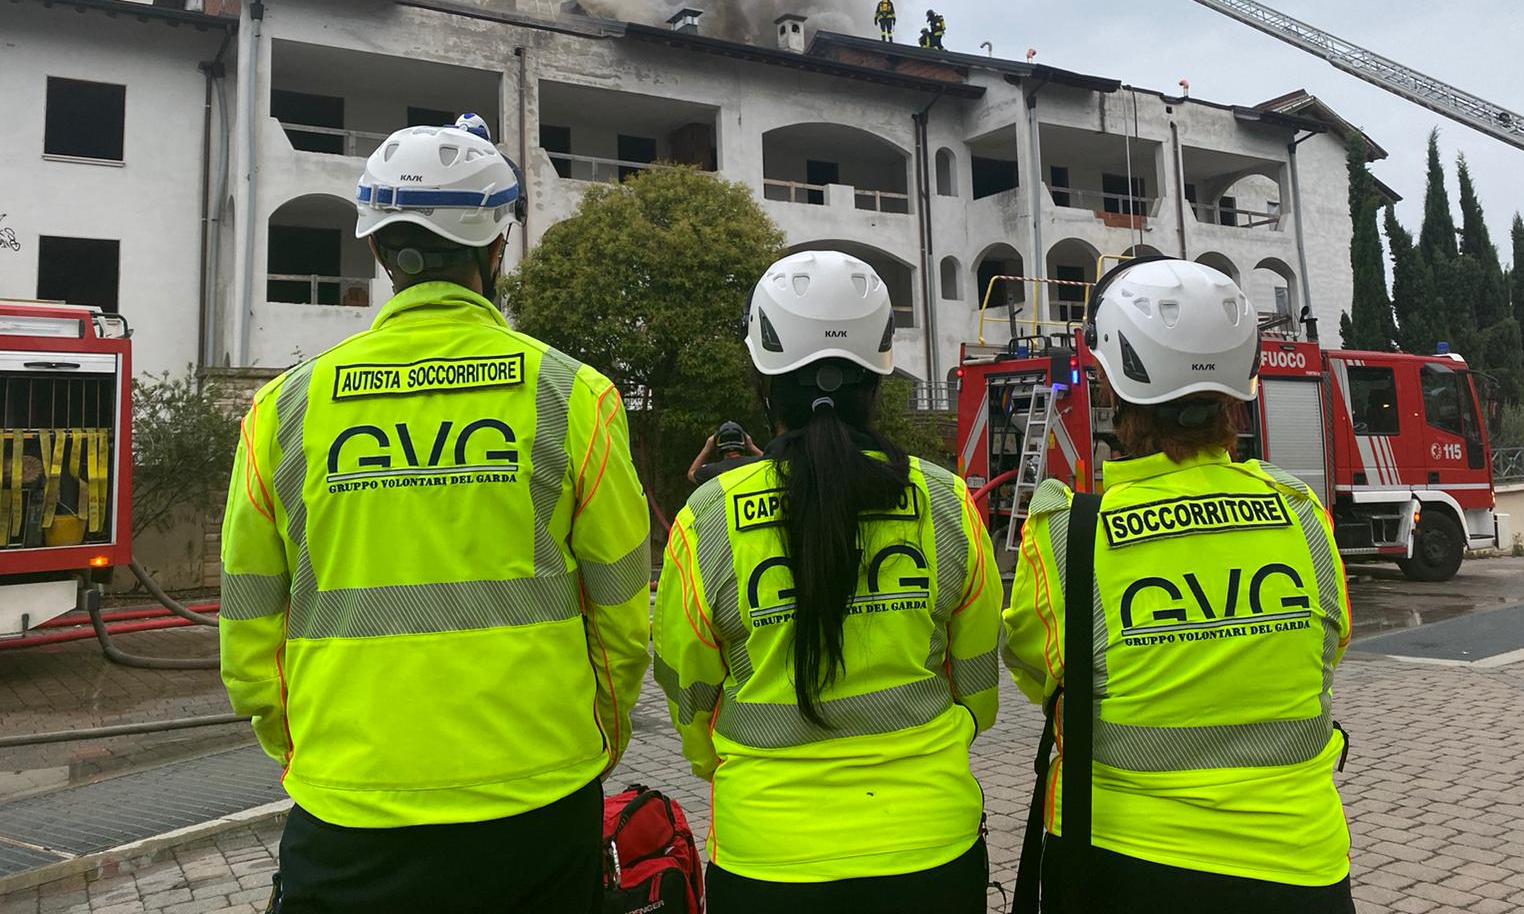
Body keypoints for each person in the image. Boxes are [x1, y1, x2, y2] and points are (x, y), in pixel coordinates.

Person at [219, 122, 651, 913]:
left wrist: (310, 756)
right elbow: (624, 621)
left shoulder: (283, 410)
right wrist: (593, 742)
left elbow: (249, 634)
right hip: (537, 804)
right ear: (497, 247)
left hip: (348, 806)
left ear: (379, 250)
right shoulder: (573, 398)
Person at [654, 249, 1002, 912]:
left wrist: (715, 761)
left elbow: (688, 691)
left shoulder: (708, 520)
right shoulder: (948, 503)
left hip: (769, 856)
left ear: (762, 378)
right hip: (930, 847)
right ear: (880, 373)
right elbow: (978, 690)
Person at [1003, 256, 1354, 914]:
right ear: (1242, 386)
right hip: (1302, 867)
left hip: (1122, 868)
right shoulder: (1304, 515)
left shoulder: (1064, 533)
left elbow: (1041, 673)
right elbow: (1325, 652)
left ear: (1107, 384)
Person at [686, 420, 761, 486]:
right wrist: (752, 447)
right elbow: (771, 462)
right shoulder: (757, 464)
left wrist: (706, 449)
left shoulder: (711, 471)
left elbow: (691, 474)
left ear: (717, 443)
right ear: (745, 441)